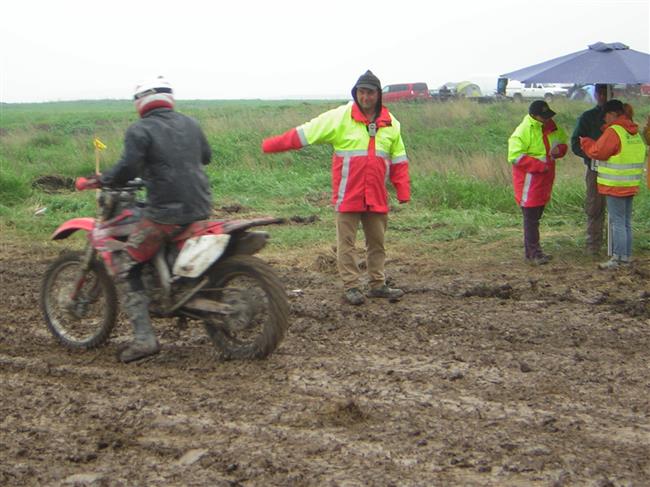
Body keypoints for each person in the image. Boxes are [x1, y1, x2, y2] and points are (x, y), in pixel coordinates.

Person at [82, 76, 213, 362]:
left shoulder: (140, 129)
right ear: (169, 99)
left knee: (129, 265)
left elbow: (127, 167)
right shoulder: (191, 123)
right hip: (201, 207)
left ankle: (144, 340)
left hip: (165, 212)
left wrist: (105, 180)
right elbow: (206, 156)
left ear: (140, 102)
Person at [261, 70, 410, 305]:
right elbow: (307, 132)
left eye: (370, 93)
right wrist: (273, 145)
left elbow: (399, 160)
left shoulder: (392, 124)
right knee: (346, 244)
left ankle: (377, 284)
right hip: (348, 194)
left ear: (378, 95)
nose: (365, 97)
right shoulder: (340, 117)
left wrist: (403, 190)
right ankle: (351, 286)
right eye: (361, 92)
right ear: (356, 93)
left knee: (377, 243)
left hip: (376, 196)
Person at [580, 99, 646, 269]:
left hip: (615, 184)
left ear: (612, 114)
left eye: (605, 116)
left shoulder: (614, 131)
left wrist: (586, 143)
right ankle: (626, 256)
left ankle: (618, 258)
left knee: (617, 221)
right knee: (625, 222)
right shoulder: (633, 131)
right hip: (630, 183)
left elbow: (598, 152)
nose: (604, 120)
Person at [507, 100, 568, 265]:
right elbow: (515, 156)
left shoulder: (551, 127)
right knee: (531, 218)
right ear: (534, 116)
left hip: (545, 180)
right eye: (543, 117)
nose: (546, 119)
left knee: (536, 217)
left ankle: (533, 252)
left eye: (547, 116)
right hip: (529, 182)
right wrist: (539, 166)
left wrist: (560, 150)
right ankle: (534, 254)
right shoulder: (523, 131)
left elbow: (562, 142)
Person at [571, 83, 608, 255]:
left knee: (618, 209)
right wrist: (590, 156)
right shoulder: (588, 117)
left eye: (604, 92)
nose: (602, 95)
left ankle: (617, 245)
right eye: (599, 92)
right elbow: (575, 143)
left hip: (618, 170)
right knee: (595, 206)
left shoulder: (622, 116)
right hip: (595, 169)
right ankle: (593, 244)